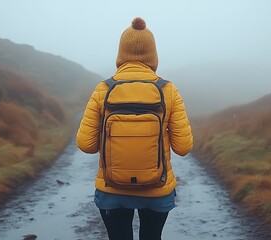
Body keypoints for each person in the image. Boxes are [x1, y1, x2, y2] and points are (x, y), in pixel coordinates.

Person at [76, 17, 193, 240]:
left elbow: (86, 145)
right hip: (157, 190)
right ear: (153, 54)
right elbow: (184, 147)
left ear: (121, 53)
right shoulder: (168, 90)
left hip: (112, 190)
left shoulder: (103, 89)